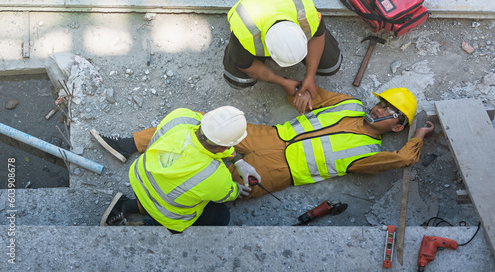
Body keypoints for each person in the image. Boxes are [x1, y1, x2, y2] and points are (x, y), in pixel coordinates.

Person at [96, 87, 434, 201]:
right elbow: (310, 93)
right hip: (271, 134)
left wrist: (417, 137)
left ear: (397, 125)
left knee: (217, 186)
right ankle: (130, 144)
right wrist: (299, 93)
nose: (380, 109)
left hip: (279, 170)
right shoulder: (347, 103)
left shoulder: (369, 154)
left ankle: (137, 207)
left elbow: (400, 159)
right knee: (208, 123)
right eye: (382, 103)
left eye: (390, 112)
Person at [93, 106, 261, 233]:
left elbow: (212, 140)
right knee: (221, 216)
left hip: (139, 178)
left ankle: (127, 205)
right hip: (166, 213)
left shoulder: (181, 116)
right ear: (227, 145)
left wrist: (237, 160)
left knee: (174, 191)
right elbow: (226, 193)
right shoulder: (216, 176)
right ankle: (154, 225)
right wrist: (236, 189)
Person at [223, 0, 342, 114]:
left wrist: (310, 76)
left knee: (330, 65)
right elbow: (246, 66)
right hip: (252, 12)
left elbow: (318, 36)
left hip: (284, 3)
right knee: (238, 79)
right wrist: (281, 82)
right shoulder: (245, 32)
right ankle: (233, 50)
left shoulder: (306, 14)